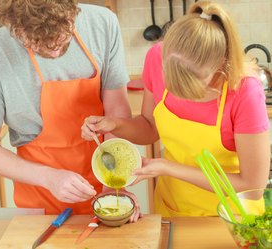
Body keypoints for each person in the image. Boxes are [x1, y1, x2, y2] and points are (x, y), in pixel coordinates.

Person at [81, 0, 271, 217]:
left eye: (190, 83)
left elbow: (252, 185)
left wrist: (167, 167)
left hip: (232, 220)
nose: (178, 92)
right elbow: (150, 127)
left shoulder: (244, 90)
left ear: (220, 65)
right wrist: (114, 125)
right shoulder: (157, 57)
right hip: (172, 211)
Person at [0, 0, 141, 220]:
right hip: (40, 200)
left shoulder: (102, 24)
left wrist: (115, 185)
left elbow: (116, 111)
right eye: (39, 43)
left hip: (104, 189)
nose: (56, 52)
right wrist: (50, 178)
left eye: (62, 37)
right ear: (14, 27)